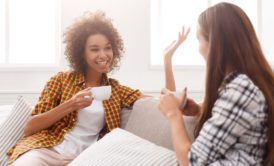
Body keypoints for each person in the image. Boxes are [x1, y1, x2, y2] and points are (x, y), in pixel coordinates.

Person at [8, 11, 142, 165]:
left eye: (107, 48)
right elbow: (30, 127)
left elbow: (163, 100)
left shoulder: (116, 90)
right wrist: (71, 104)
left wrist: (167, 60)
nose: (103, 55)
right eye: (94, 49)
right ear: (81, 54)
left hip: (83, 159)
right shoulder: (60, 80)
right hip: (46, 150)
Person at [158, 2, 274, 165]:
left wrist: (173, 114)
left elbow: (192, 163)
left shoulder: (240, 89)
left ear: (216, 43)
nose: (199, 49)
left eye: (200, 39)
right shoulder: (243, 85)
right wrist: (199, 110)